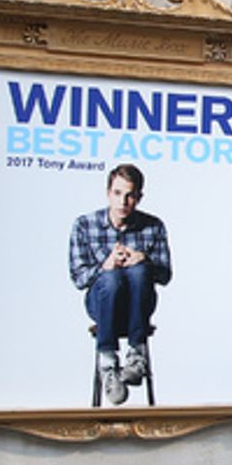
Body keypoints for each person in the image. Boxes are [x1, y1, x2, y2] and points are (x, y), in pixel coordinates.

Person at [69, 163, 171, 406]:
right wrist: (106, 265)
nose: (123, 201)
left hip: (139, 304)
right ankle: (108, 363)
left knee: (138, 271)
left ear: (139, 197)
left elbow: (165, 276)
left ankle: (136, 356)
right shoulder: (85, 225)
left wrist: (143, 260)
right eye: (117, 193)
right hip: (102, 303)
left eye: (130, 195)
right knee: (112, 278)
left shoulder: (153, 226)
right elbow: (78, 277)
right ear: (108, 193)